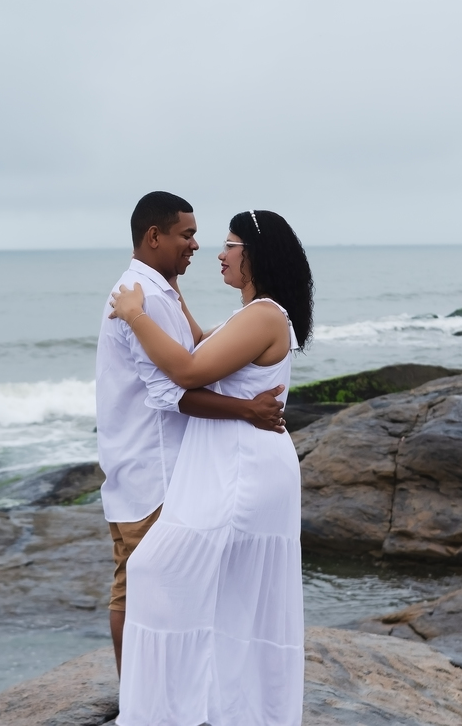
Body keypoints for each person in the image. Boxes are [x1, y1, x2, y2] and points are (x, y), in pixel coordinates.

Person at [110, 209, 313, 726]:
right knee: (231, 597)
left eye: (230, 245)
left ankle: (172, 711)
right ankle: (221, 708)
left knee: (156, 571)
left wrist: (136, 313)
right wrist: (172, 296)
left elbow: (188, 369)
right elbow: (201, 346)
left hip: (242, 470)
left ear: (255, 255)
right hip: (238, 461)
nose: (219, 255)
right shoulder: (255, 316)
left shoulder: (265, 315)